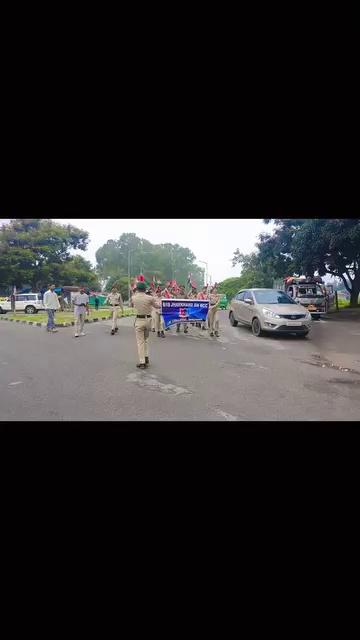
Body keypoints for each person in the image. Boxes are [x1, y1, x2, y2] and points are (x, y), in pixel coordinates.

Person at [131, 280, 160, 369]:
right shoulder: (150, 298)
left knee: (140, 342)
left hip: (139, 320)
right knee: (146, 340)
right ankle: (146, 357)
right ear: (145, 289)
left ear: (137, 289)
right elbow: (157, 306)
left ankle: (142, 361)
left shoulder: (133, 297)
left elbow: (131, 305)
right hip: (148, 321)